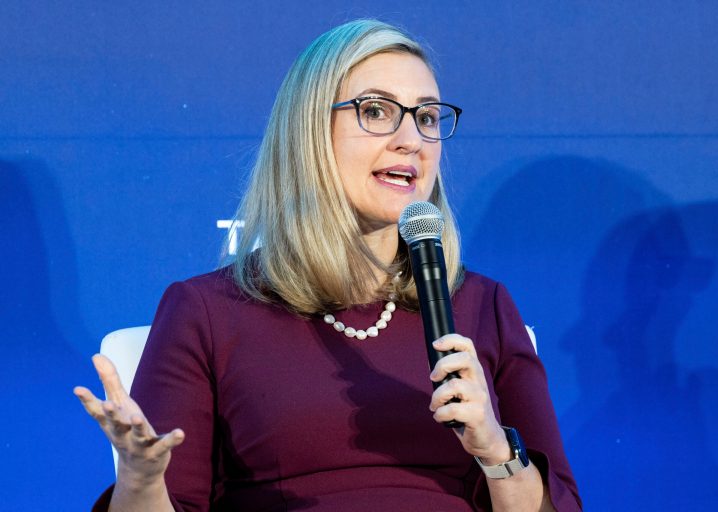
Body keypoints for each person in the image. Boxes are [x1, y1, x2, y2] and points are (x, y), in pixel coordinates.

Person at [74, 19, 582, 511]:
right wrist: (140, 479)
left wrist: (497, 451)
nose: (412, 139)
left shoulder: (480, 305)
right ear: (309, 133)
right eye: (378, 111)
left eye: (426, 117)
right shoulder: (207, 312)